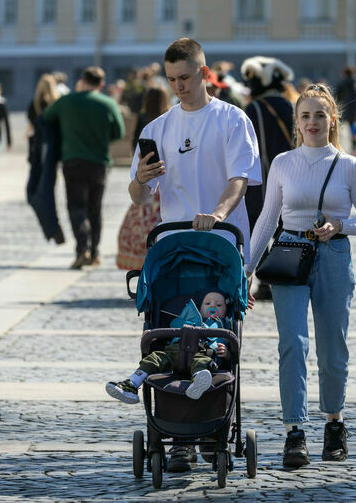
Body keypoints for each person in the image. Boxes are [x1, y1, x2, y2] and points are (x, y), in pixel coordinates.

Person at [129, 38, 261, 472]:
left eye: (185, 78)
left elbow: (240, 178)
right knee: (174, 336)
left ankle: (214, 427)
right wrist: (141, 180)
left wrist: (219, 213)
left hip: (220, 244)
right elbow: (137, 194)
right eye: (171, 80)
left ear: (203, 73)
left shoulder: (231, 120)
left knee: (217, 340)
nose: (178, 87)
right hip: (175, 247)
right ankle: (182, 432)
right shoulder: (157, 129)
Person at [245, 83, 356, 469]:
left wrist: (340, 226)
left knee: (332, 346)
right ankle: (294, 432)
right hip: (289, 255)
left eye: (320, 114)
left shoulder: (349, 165)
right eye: (305, 115)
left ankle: (334, 423)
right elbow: (268, 219)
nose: (313, 121)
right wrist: (247, 270)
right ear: (297, 122)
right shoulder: (284, 163)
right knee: (292, 344)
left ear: (332, 119)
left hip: (334, 256)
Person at [43, 67, 125, 268]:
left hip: (73, 161)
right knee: (95, 209)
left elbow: (46, 117)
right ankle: (95, 252)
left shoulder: (67, 101)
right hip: (99, 163)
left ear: (82, 80)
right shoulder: (108, 103)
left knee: (76, 207)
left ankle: (82, 249)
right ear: (101, 84)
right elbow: (119, 131)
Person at [105, 288, 232, 404]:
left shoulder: (225, 326)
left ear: (226, 310)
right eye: (208, 303)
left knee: (203, 362)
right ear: (200, 308)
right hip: (174, 353)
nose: (213, 306)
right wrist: (154, 335)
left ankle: (198, 381)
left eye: (219, 305)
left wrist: (227, 354)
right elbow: (168, 334)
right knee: (154, 358)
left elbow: (232, 351)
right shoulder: (186, 320)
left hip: (202, 354)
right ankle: (131, 385)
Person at [241, 55, 295, 301]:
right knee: (286, 229)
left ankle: (264, 281)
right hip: (292, 178)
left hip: (263, 179)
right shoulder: (291, 105)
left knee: (258, 228)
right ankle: (282, 278)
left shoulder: (255, 108)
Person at [117, 85, 171, 271]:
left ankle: (143, 264)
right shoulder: (170, 118)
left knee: (143, 225)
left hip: (148, 178)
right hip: (165, 181)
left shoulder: (143, 118)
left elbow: (135, 144)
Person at [26, 74, 65, 244]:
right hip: (50, 151)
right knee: (45, 191)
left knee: (37, 192)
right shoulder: (56, 105)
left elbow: (32, 125)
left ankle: (53, 229)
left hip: (41, 151)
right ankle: (53, 228)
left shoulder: (35, 105)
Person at [335, 65, 356, 139]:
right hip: (353, 109)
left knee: (336, 127)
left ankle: (336, 143)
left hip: (343, 108)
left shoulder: (343, 83)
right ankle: (355, 146)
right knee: (353, 129)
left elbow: (337, 96)